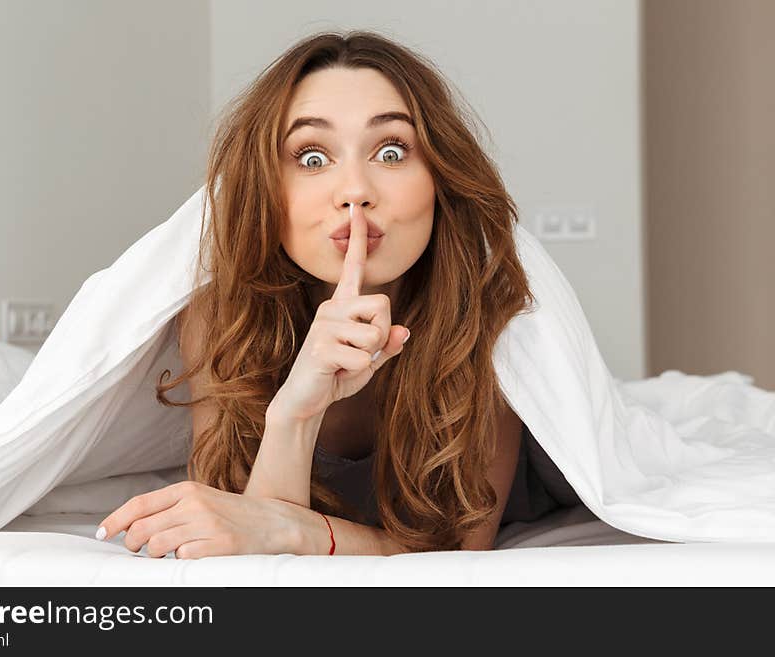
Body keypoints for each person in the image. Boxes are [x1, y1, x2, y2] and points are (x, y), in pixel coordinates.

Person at [96, 30, 583, 558]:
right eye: (310, 157)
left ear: (441, 179)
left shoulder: (488, 312)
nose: (354, 190)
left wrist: (304, 533)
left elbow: (462, 550)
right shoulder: (220, 316)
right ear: (266, 189)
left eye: (391, 151)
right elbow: (247, 532)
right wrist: (294, 412)